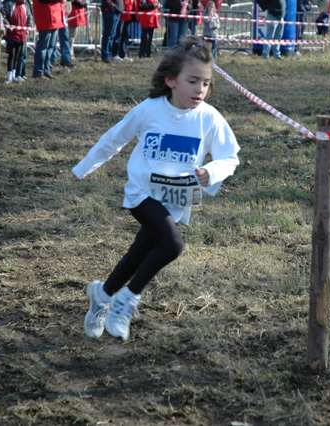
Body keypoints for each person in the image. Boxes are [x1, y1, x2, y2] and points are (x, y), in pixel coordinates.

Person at [73, 36, 240, 341]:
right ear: (171, 80)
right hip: (143, 193)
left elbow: (230, 157)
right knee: (172, 245)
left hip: (177, 198)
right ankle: (128, 299)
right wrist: (85, 167)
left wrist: (211, 171)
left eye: (206, 83)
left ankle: (103, 294)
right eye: (193, 81)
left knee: (141, 252)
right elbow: (115, 138)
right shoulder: (149, 110)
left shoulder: (210, 118)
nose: (200, 89)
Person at [32, 0, 64, 78]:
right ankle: (39, 71)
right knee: (43, 46)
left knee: (51, 47)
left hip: (55, 16)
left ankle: (47, 69)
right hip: (46, 16)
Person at [2, 0, 30, 83]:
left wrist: (28, 27)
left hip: (22, 36)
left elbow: (29, 17)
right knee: (12, 55)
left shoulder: (25, 6)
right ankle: (9, 76)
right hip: (12, 36)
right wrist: (8, 25)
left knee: (19, 56)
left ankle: (15, 75)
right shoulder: (9, 4)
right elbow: (3, 16)